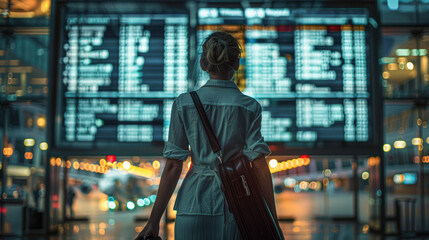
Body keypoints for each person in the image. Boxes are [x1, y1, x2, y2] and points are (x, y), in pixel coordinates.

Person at [135, 31, 279, 240]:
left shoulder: (184, 103)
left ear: (203, 64)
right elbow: (258, 165)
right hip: (238, 206)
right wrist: (272, 222)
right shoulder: (249, 107)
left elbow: (174, 165)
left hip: (193, 205)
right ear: (237, 64)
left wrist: (153, 221)